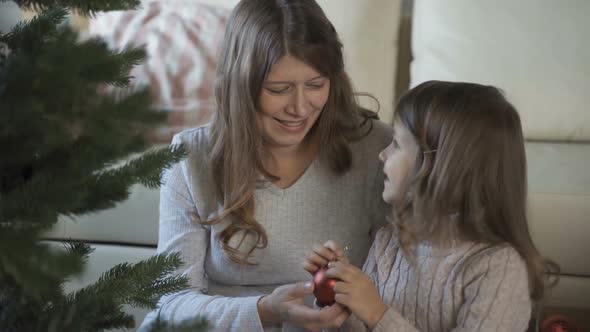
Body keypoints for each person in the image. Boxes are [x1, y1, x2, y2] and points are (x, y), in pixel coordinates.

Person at [138, 0, 392, 331]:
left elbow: (400, 290)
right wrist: (266, 310)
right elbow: (170, 302)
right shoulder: (191, 156)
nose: (300, 107)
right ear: (240, 84)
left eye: (316, 85)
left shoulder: (378, 150)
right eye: (278, 89)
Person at [304, 81, 559, 331]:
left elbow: (376, 319)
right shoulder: (390, 244)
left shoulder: (498, 267)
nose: (382, 154)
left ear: (440, 166)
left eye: (396, 144)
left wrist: (377, 314)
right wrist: (340, 294)